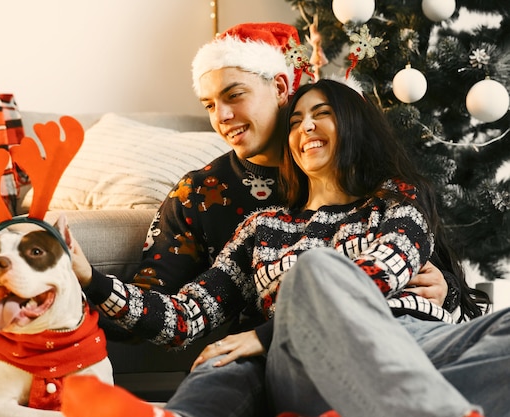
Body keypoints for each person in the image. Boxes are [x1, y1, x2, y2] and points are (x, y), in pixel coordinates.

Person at [69, 23, 480, 417]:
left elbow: (413, 275)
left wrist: (445, 291)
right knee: (231, 360)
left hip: (405, 332)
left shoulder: (397, 197)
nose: (222, 116)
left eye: (235, 95)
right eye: (210, 105)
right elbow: (182, 315)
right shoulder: (249, 218)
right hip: (286, 353)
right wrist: (89, 278)